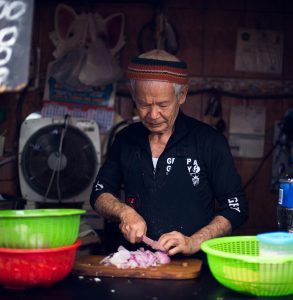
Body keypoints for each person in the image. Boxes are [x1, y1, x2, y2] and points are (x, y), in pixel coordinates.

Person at [90, 49, 248, 257]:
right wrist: (124, 212)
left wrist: (194, 241)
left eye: (163, 105)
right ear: (133, 94)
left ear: (181, 95)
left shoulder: (209, 141)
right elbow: (99, 193)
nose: (153, 115)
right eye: (144, 105)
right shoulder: (125, 139)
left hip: (192, 267)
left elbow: (236, 207)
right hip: (133, 263)